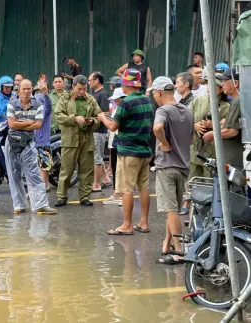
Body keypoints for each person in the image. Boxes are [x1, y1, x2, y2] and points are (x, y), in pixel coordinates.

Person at [98, 69, 154, 235]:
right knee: (144, 187)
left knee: (127, 189)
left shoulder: (126, 103)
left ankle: (127, 225)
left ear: (125, 84)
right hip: (145, 150)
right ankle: (143, 222)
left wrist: (102, 118)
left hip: (129, 151)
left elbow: (113, 126)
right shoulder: (146, 100)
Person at [150, 76, 193, 264]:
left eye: (154, 94)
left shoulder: (163, 110)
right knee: (173, 209)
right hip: (183, 166)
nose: (154, 97)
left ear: (159, 92)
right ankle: (167, 244)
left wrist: (165, 143)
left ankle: (179, 251)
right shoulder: (187, 111)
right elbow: (191, 139)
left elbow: (157, 127)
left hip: (167, 166)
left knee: (170, 209)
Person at [179, 72, 230, 215]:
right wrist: (195, 125)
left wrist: (212, 125)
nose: (209, 87)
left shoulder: (226, 106)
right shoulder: (198, 100)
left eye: (214, 85)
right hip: (195, 148)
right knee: (192, 180)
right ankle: (188, 204)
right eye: (208, 84)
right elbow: (185, 117)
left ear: (221, 89)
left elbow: (228, 128)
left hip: (213, 151)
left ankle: (205, 213)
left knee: (208, 182)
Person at [5, 79, 57, 215]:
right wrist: (30, 122)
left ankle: (41, 205)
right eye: (24, 89)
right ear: (19, 91)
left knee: (34, 174)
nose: (27, 91)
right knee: (14, 174)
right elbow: (11, 125)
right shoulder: (11, 104)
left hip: (29, 141)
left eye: (29, 89)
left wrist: (20, 122)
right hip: (12, 141)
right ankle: (19, 205)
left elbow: (38, 125)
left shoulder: (38, 105)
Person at [54, 75, 102, 207]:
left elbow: (99, 117)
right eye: (79, 89)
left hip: (87, 139)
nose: (82, 92)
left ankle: (85, 197)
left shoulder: (91, 99)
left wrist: (93, 121)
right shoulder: (65, 98)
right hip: (70, 139)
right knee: (66, 169)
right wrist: (74, 119)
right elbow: (58, 115)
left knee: (86, 170)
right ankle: (62, 197)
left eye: (84, 89)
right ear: (73, 87)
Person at [203, 67, 244, 171]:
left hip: (234, 161)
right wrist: (225, 122)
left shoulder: (237, 101)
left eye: (225, 81)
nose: (222, 84)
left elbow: (232, 131)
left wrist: (212, 134)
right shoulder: (242, 99)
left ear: (236, 83)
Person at [102, 88, 128, 206]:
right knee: (116, 168)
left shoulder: (123, 108)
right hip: (115, 142)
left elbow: (113, 126)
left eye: (117, 100)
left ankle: (120, 194)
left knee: (120, 169)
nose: (116, 102)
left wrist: (103, 118)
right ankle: (117, 192)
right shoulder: (118, 108)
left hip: (120, 141)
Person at [89, 71, 112, 192]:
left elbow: (105, 113)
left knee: (97, 158)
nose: (89, 83)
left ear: (97, 80)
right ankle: (106, 179)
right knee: (98, 156)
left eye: (90, 80)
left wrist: (91, 119)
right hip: (95, 129)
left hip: (99, 130)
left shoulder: (102, 94)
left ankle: (97, 184)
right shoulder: (95, 93)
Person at [33, 82, 53, 191]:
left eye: (39, 92)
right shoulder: (33, 110)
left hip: (43, 142)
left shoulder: (46, 110)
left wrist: (45, 94)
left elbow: (49, 104)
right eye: (36, 92)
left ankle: (43, 187)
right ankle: (45, 185)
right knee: (40, 167)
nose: (38, 95)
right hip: (35, 142)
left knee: (43, 167)